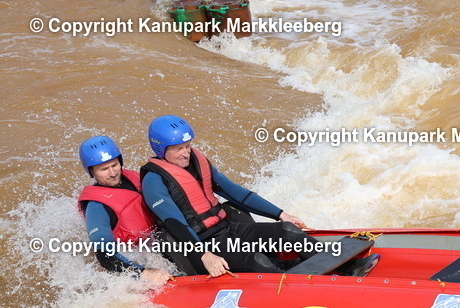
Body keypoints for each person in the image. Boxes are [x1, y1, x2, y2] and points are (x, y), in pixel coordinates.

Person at [139, 115, 378, 277]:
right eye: (178, 149)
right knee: (259, 262)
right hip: (204, 243)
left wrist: (281, 214)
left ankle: (348, 268)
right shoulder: (154, 180)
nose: (186, 153)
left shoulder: (197, 161)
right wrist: (205, 255)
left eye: (188, 146)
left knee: (287, 232)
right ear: (161, 150)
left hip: (229, 229)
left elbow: (235, 193)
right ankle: (294, 283)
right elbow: (175, 223)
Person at [77, 135, 171, 285]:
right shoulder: (96, 207)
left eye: (114, 165)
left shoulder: (134, 178)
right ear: (92, 172)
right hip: (135, 258)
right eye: (104, 169)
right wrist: (144, 273)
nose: (113, 173)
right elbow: (105, 257)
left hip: (159, 240)